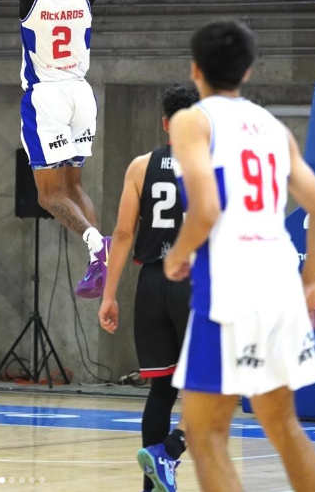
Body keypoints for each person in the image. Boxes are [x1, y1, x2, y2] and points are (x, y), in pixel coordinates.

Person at [164, 21, 315, 492]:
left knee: (205, 433)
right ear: (249, 71)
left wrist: (177, 254)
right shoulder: (273, 127)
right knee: (284, 426)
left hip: (230, 286)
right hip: (280, 279)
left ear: (195, 69)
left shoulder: (192, 120)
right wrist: (312, 280)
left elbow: (206, 210)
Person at [0, 0, 114, 299]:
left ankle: (98, 244)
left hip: (47, 98)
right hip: (82, 95)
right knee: (74, 187)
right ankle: (100, 260)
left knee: (48, 197)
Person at [99, 83, 199, 492]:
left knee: (161, 389)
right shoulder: (213, 163)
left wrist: (108, 294)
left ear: (164, 123)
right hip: (194, 280)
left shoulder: (141, 165)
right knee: (209, 385)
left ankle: (152, 486)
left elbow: (122, 233)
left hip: (151, 284)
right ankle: (171, 450)